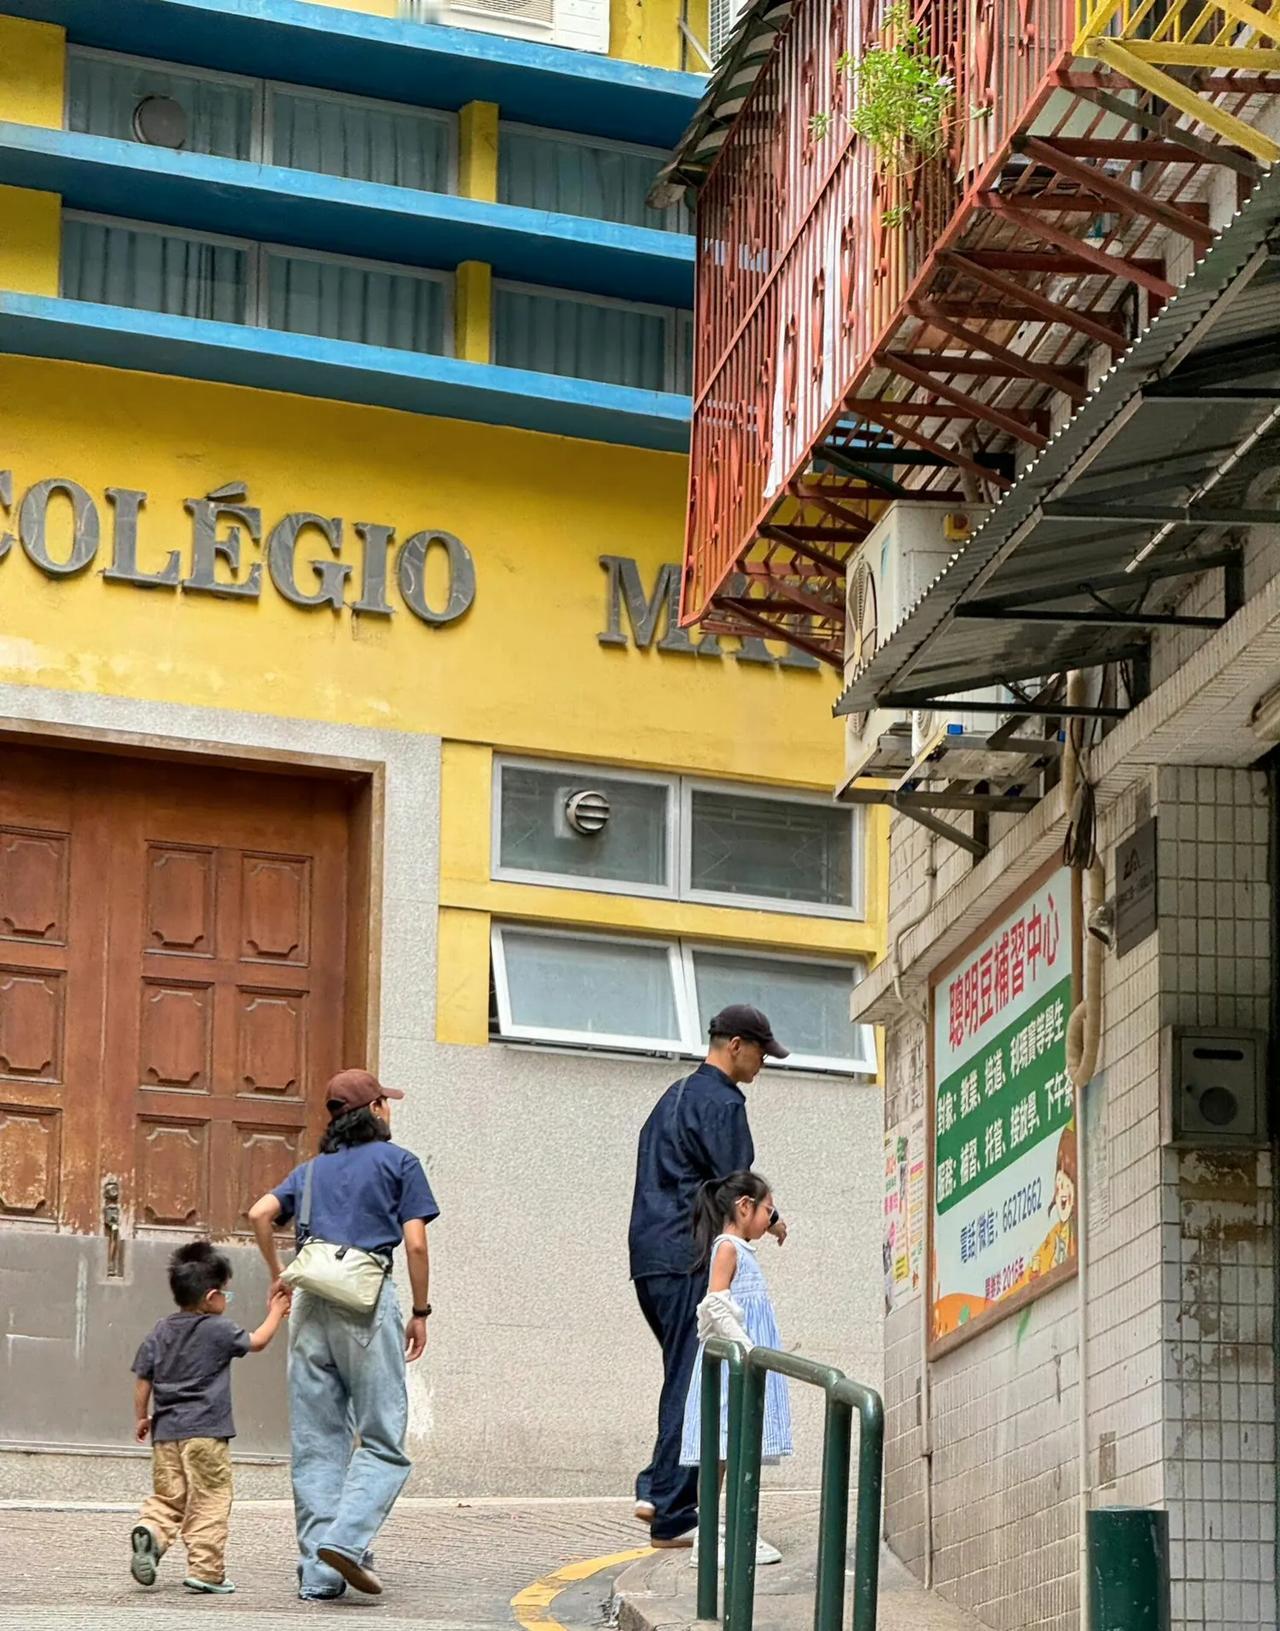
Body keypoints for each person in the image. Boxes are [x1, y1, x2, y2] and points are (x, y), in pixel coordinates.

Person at [247, 1068, 439, 1602]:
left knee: (317, 1442)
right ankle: (346, 1541)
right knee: (382, 1439)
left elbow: (260, 1213)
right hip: (365, 1300)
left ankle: (319, 1574)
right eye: (386, 1101)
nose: (389, 1109)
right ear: (375, 1109)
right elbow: (416, 1245)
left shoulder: (311, 1171)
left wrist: (278, 1274)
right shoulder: (400, 1163)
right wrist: (420, 1311)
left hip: (311, 1301)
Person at [627, 1005, 789, 1549]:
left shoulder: (672, 1097)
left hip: (650, 1258)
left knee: (682, 1370)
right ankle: (674, 1513)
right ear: (736, 1045)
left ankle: (656, 1490)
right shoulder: (722, 1102)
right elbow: (734, 1187)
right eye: (761, 1052)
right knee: (696, 1376)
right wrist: (771, 1217)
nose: (763, 1062)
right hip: (689, 1255)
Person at [129, 1241, 290, 1595]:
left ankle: (152, 1531)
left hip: (166, 1433)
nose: (226, 1301)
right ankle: (206, 1570)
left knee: (169, 1496)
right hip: (206, 1433)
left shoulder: (160, 1330)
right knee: (210, 1498)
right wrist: (277, 1311)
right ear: (211, 1297)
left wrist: (142, 1417)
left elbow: (143, 1378)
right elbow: (258, 1341)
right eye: (225, 1295)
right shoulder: (217, 1329)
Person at [679, 1170, 792, 1567]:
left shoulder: (740, 1246)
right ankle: (713, 1536)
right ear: (744, 1207)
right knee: (724, 1449)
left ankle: (734, 1529)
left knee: (737, 1448)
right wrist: (745, 1347)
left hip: (741, 1363)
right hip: (732, 1367)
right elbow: (715, 1304)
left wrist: (775, 1225)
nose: (771, 1217)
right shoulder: (727, 1248)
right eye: (768, 1210)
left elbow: (764, 1222)